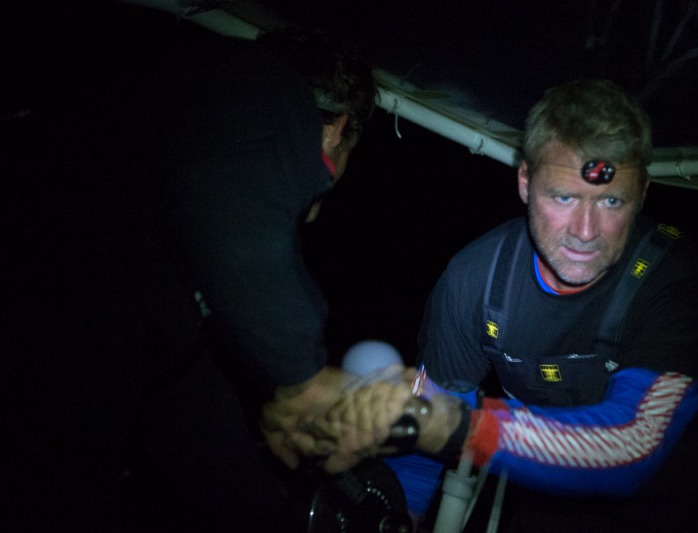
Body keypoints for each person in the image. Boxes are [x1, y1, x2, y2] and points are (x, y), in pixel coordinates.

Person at [1, 20, 411, 531]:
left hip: (127, 347)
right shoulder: (258, 87)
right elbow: (241, 233)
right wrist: (304, 378)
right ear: (335, 129)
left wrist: (280, 404)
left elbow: (191, 404)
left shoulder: (173, 211)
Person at [318, 79, 698, 531]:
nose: (586, 231)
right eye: (564, 197)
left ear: (643, 194)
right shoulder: (474, 279)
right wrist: (398, 512)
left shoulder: (681, 279)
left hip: (697, 504)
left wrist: (456, 426)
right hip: (557, 505)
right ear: (525, 182)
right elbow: (422, 452)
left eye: (611, 201)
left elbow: (633, 447)